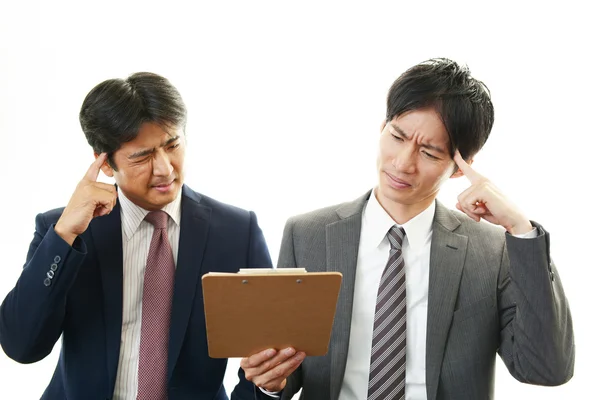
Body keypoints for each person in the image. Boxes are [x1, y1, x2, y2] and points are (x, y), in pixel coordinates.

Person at [240, 58, 575, 400]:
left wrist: (520, 230)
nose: (402, 163)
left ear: (461, 167)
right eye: (397, 136)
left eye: (429, 153)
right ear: (382, 126)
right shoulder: (306, 234)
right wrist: (271, 381)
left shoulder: (493, 250)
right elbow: (288, 368)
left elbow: (546, 369)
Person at [0, 72, 272, 399]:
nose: (165, 169)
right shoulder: (64, 231)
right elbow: (21, 345)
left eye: (172, 145)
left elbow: (268, 356)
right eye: (142, 156)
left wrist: (266, 386)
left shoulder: (236, 232)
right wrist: (64, 236)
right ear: (105, 163)